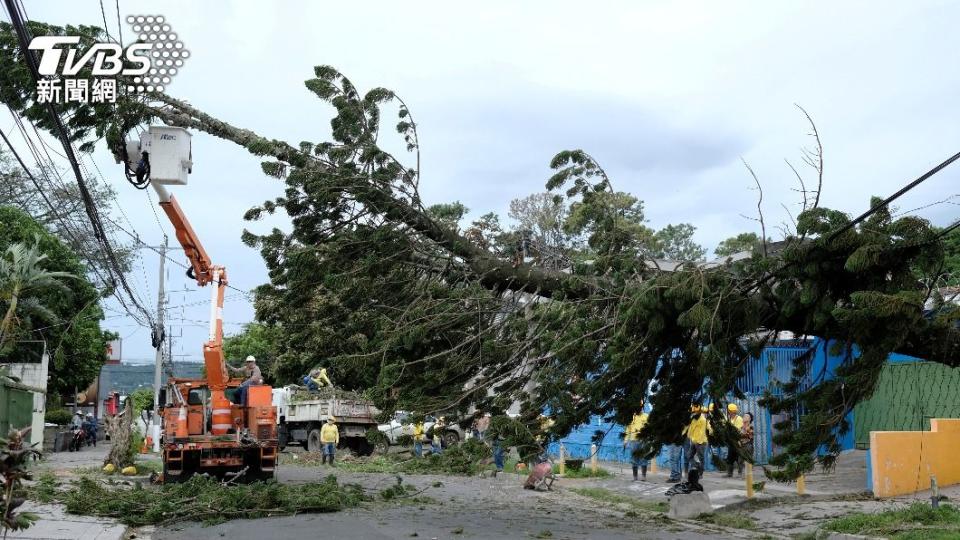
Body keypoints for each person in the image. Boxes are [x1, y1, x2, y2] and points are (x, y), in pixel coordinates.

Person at [682, 405, 711, 477]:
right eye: (693, 412)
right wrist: (685, 434)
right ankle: (698, 466)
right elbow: (689, 428)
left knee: (701, 458)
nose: (693, 413)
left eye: (695, 412)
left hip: (701, 442)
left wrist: (711, 433)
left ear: (699, 412)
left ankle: (700, 474)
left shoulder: (703, 420)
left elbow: (709, 428)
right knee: (689, 456)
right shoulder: (693, 419)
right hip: (694, 441)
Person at [622, 404, 649, 481]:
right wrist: (625, 440)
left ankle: (644, 476)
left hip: (644, 440)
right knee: (634, 459)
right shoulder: (631, 418)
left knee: (644, 458)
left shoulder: (646, 416)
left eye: (640, 408)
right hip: (633, 441)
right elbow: (628, 430)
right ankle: (635, 477)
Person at [725, 403, 744, 477]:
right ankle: (730, 473)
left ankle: (740, 473)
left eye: (728, 410)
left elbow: (738, 430)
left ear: (731, 411)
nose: (727, 411)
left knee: (738, 458)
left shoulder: (738, 419)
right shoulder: (729, 418)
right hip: (731, 442)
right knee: (730, 457)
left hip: (737, 441)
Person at [737, 412, 755, 477]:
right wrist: (738, 440)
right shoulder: (741, 427)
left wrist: (743, 431)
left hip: (748, 445)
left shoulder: (750, 427)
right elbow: (738, 435)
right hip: (741, 445)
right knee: (740, 460)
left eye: (746, 416)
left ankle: (749, 473)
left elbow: (749, 436)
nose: (744, 417)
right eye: (744, 416)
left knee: (748, 459)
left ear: (750, 419)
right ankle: (740, 473)